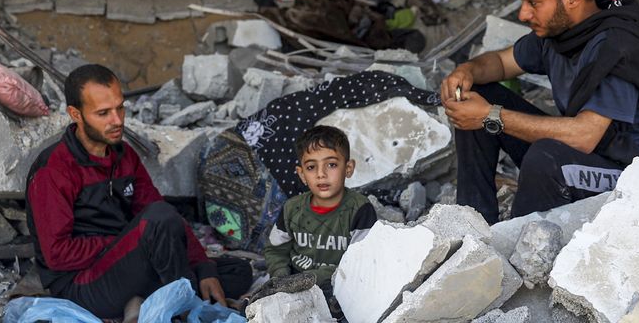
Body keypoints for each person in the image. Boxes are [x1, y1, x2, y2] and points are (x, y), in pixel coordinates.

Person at [441, 0, 639, 224]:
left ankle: (521, 244)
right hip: (594, 155)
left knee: (545, 158)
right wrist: (466, 71)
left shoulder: (616, 48)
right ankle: (473, 223)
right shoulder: (559, 33)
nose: (523, 14)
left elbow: (584, 136)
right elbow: (500, 62)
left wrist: (491, 116)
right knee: (476, 94)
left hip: (634, 175)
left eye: (533, 2)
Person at [25, 64, 250, 320]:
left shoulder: (124, 156)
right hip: (81, 285)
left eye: (120, 108)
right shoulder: (54, 169)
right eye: (103, 113)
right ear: (75, 114)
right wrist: (125, 242)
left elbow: (165, 218)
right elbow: (57, 254)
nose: (117, 120)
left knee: (236, 271)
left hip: (126, 265)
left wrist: (203, 265)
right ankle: (180, 308)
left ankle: (146, 301)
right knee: (158, 220)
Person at [262, 125, 377, 309]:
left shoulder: (360, 210)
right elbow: (275, 250)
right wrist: (281, 278)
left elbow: (362, 263)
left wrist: (311, 279)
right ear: (302, 174)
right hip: (292, 285)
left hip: (339, 287)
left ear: (348, 168)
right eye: (311, 167)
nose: (321, 174)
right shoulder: (292, 208)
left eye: (331, 165)